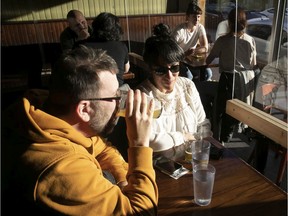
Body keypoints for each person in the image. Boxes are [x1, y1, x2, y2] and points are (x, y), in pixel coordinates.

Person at [2, 45, 158, 215]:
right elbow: (142, 212)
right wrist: (139, 144)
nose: (120, 102)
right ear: (84, 109)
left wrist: (122, 181)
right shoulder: (59, 168)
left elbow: (101, 148)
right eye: (115, 97)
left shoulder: (50, 113)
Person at [136, 35, 210, 152]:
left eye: (174, 68)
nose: (169, 76)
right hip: (159, 165)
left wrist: (201, 149)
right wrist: (183, 136)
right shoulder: (143, 97)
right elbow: (148, 140)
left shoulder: (187, 86)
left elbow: (202, 123)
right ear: (150, 69)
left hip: (190, 157)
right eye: (161, 70)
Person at [206, 7, 257, 143]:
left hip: (228, 79)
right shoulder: (250, 40)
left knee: (221, 110)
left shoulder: (223, 40)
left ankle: (221, 140)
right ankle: (230, 134)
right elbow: (253, 63)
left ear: (229, 23)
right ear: (244, 23)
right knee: (234, 111)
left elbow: (208, 59)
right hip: (245, 81)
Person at [83, 12, 130, 86]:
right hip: (116, 90)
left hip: (91, 90)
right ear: (117, 29)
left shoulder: (84, 46)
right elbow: (126, 69)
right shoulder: (121, 46)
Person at [171, 3, 212, 81]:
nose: (197, 19)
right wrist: (185, 54)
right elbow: (171, 51)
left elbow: (205, 48)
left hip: (191, 60)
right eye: (194, 16)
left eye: (198, 17)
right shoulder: (179, 31)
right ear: (187, 17)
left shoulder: (200, 27)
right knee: (189, 77)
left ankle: (199, 89)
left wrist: (193, 52)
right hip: (179, 61)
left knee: (208, 74)